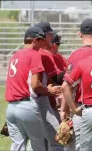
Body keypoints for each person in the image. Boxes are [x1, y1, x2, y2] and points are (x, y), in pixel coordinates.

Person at [5, 27, 51, 151]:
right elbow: (35, 85)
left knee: (17, 145)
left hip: (11, 108)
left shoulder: (15, 55)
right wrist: (49, 91)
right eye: (42, 41)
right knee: (38, 145)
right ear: (35, 40)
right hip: (26, 106)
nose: (43, 44)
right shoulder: (34, 54)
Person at [60, 18, 92, 151]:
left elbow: (68, 86)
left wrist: (64, 109)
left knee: (77, 147)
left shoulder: (76, 55)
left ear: (80, 34)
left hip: (82, 109)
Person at [35, 21, 64, 151]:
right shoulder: (45, 55)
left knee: (37, 142)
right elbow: (58, 78)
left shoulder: (24, 53)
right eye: (51, 36)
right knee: (57, 140)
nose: (54, 42)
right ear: (45, 36)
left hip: (24, 103)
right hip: (43, 102)